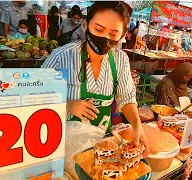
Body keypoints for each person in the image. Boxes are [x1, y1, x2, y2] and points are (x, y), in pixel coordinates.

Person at [42, 1, 149, 157]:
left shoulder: (120, 59)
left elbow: (126, 98)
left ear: (123, 34)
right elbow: (35, 97)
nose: (105, 38)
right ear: (86, 24)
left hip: (102, 144)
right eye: (98, 29)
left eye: (113, 34)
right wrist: (68, 105)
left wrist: (137, 125)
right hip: (62, 144)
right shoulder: (61, 56)